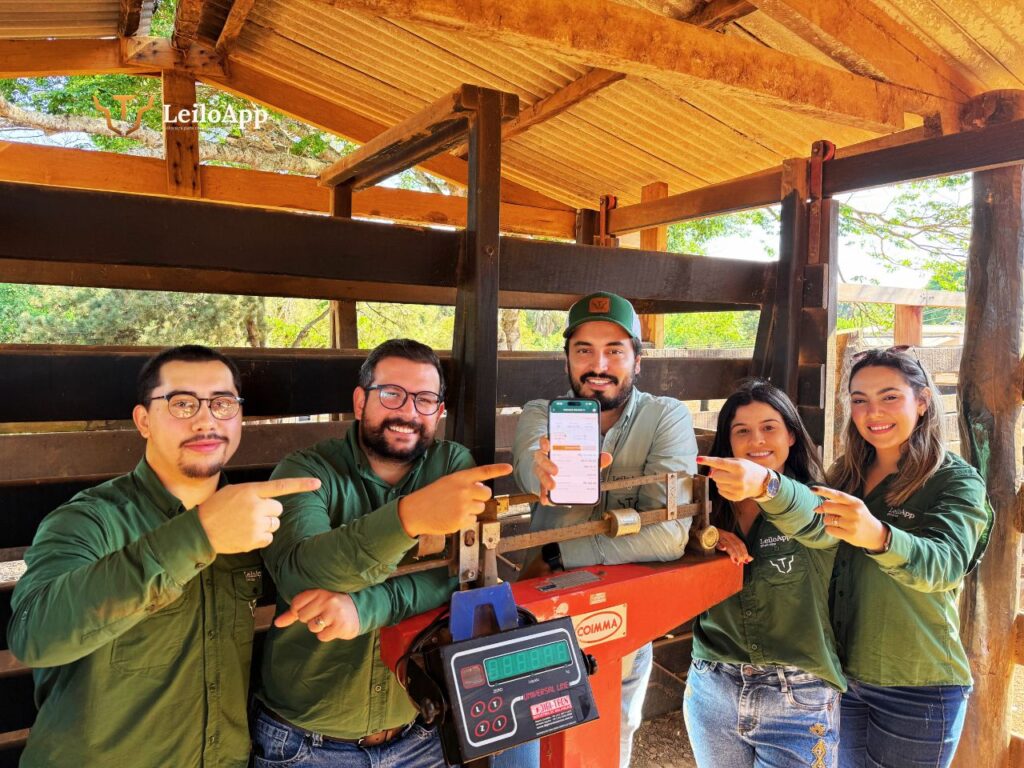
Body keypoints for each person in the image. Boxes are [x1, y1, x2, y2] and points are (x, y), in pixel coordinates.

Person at [8, 344, 320, 767]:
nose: (207, 419)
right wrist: (198, 535)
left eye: (223, 403)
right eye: (182, 403)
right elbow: (34, 636)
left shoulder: (256, 522)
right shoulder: (90, 520)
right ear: (143, 421)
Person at [698, 348, 991, 768]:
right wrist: (709, 536)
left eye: (889, 397)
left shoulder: (954, 480)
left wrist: (879, 535)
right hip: (841, 679)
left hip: (916, 683)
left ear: (923, 401)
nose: (873, 411)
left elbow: (945, 565)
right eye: (859, 399)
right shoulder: (845, 474)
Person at [253, 338, 512, 767]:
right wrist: (407, 519)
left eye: (425, 399)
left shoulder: (452, 468)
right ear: (360, 401)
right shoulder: (304, 471)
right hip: (307, 743)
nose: (408, 412)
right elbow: (302, 574)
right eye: (391, 394)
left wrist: (365, 608)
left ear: (440, 412)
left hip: (420, 731)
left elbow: (462, 578)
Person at [501, 291, 698, 768]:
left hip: (622, 616)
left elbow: (670, 536)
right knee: (527, 739)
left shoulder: (665, 415)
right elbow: (531, 465)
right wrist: (542, 474)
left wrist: (555, 553)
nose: (599, 364)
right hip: (546, 612)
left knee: (611, 736)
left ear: (636, 358)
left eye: (614, 350)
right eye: (583, 350)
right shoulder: (539, 413)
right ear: (567, 357)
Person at [685, 380, 844, 768]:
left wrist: (767, 486)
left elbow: (817, 526)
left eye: (769, 427)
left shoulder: (822, 500)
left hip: (799, 699)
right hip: (712, 686)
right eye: (742, 431)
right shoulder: (704, 505)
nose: (756, 439)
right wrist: (699, 537)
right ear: (728, 442)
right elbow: (664, 550)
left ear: (791, 434)